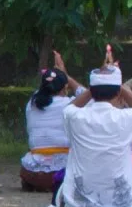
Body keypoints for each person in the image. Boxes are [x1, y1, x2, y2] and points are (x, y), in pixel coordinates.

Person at [53, 52, 132, 207]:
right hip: (122, 202)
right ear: (118, 92)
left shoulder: (75, 117)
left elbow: (68, 108)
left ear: (92, 90)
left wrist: (93, 89)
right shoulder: (126, 117)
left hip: (79, 200)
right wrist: (122, 89)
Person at [19, 51, 84, 193]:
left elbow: (44, 90)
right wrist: (66, 76)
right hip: (59, 172)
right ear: (64, 88)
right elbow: (88, 95)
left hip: (31, 172)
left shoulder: (32, 103)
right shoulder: (69, 105)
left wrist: (58, 75)